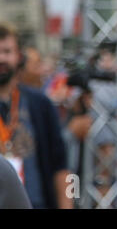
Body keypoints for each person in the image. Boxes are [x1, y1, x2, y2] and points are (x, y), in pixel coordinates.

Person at [0, 22, 72, 208]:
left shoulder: (40, 104)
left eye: (7, 52)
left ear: (19, 57)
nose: (1, 58)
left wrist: (67, 204)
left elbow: (61, 167)